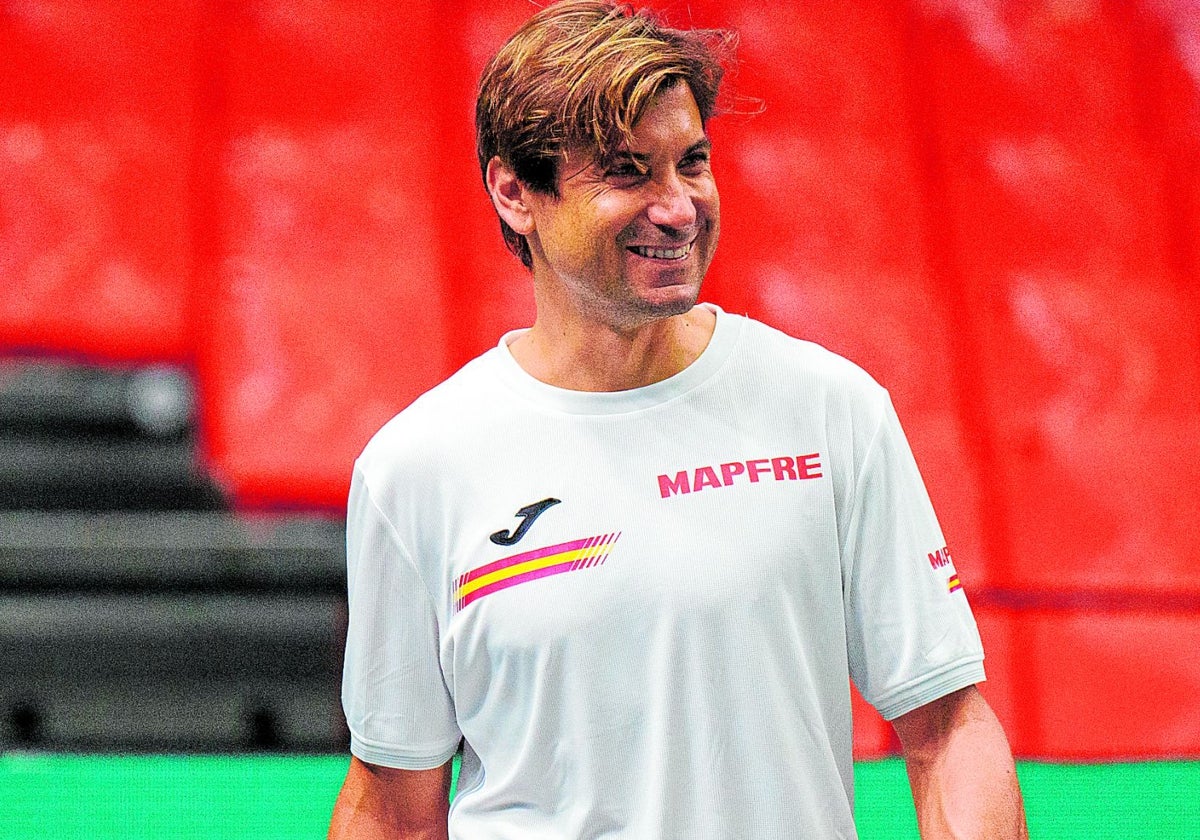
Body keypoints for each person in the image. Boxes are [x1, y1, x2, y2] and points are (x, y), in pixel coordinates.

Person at [328, 1, 1028, 838]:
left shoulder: (830, 409)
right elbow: (395, 805)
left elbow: (948, 729)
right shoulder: (417, 467)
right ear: (515, 191)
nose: (679, 207)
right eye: (629, 173)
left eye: (690, 162)